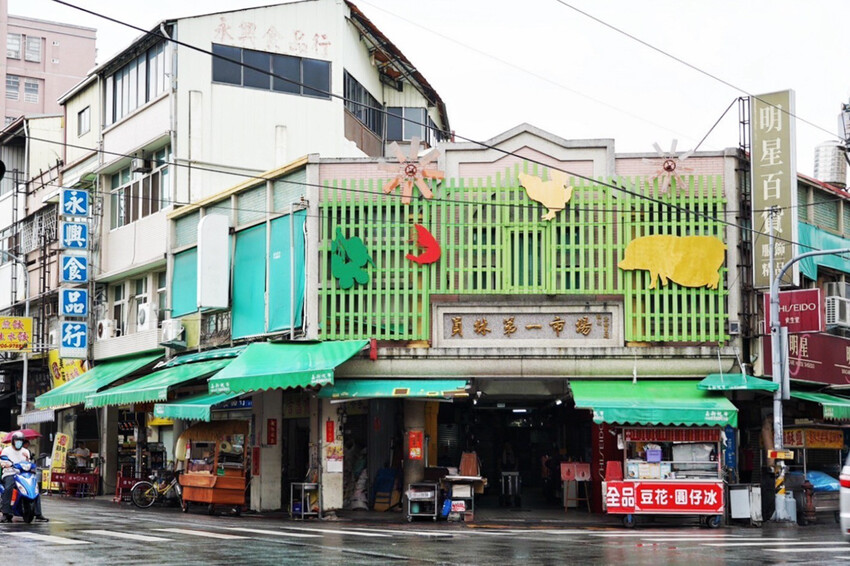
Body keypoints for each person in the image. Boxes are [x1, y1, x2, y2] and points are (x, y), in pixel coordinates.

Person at [0, 432, 48, 522]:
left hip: (24, 474)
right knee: (8, 488)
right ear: (13, 441)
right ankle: (6, 513)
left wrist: (28, 460)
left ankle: (38, 514)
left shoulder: (25, 451)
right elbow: (2, 461)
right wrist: (6, 464)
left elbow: (28, 463)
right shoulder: (6, 451)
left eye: (20, 441)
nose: (19, 442)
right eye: (17, 440)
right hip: (10, 473)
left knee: (35, 488)